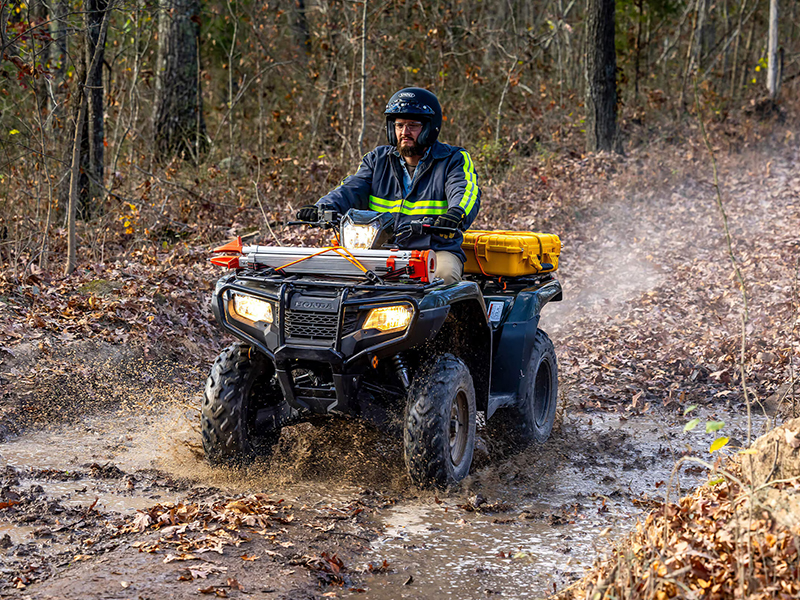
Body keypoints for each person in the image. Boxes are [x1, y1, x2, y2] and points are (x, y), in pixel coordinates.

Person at [296, 87, 480, 285]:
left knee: (444, 279)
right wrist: (322, 208)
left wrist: (456, 213)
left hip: (435, 249)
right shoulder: (377, 159)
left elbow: (465, 191)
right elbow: (350, 188)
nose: (404, 132)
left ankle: (449, 317)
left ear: (430, 127)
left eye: (413, 126)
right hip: (377, 249)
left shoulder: (452, 159)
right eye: (399, 125)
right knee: (331, 280)